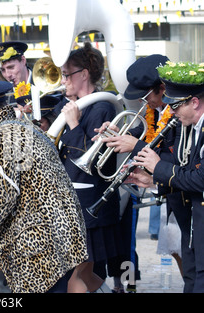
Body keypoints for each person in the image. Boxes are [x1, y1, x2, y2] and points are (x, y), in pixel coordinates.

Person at [0, 80, 88, 293]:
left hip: (40, 250)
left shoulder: (3, 136)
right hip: (58, 241)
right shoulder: (21, 127)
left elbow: (2, 201)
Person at [95, 54, 181, 292]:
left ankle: (128, 284)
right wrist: (115, 133)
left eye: (146, 96)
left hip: (184, 198)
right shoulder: (158, 111)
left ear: (162, 88)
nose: (144, 103)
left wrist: (135, 146)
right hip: (170, 197)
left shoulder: (179, 113)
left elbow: (170, 157)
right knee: (182, 260)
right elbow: (144, 133)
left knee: (130, 245)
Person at [52, 42, 122, 293]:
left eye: (67, 74)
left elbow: (89, 159)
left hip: (89, 205)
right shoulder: (71, 105)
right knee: (85, 273)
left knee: (76, 276)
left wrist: (72, 125)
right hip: (75, 204)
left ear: (83, 74)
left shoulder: (101, 107)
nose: (63, 80)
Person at [128, 61, 204, 292]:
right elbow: (185, 173)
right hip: (193, 224)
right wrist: (152, 181)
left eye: (176, 105)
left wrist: (158, 167)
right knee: (191, 279)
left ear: (194, 102)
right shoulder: (190, 125)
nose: (171, 111)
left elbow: (200, 180)